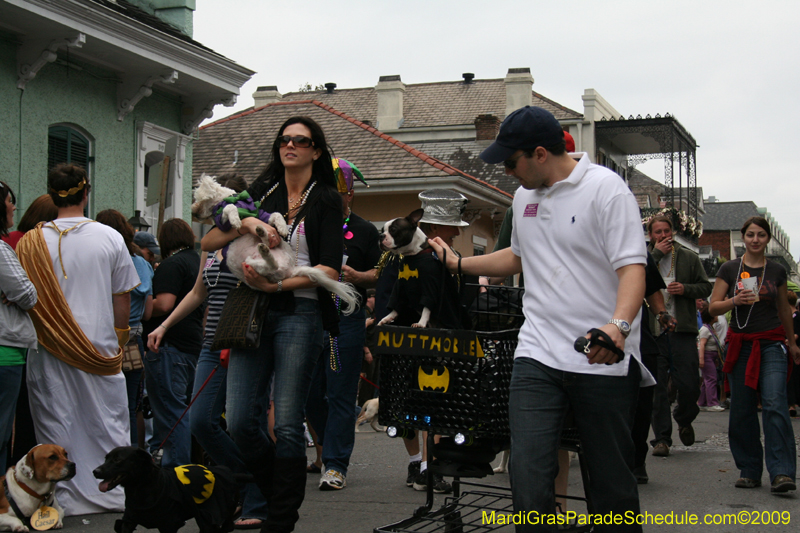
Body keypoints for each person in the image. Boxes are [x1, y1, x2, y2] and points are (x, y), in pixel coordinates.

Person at [428, 106, 649, 533]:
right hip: (537, 354)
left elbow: (632, 269)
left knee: (609, 483)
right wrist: (459, 264)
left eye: (512, 162)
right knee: (527, 474)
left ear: (541, 153)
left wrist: (617, 327)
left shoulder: (607, 190)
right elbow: (517, 255)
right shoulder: (525, 197)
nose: (507, 171)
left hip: (599, 353)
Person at [201, 116, 345, 533]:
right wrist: (247, 222)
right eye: (285, 139)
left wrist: (277, 286)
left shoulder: (326, 200)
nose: (291, 146)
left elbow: (330, 271)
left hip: (299, 311)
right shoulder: (262, 192)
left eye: (301, 140)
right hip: (251, 311)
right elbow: (209, 241)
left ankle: (279, 520)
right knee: (242, 419)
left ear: (316, 150)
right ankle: (276, 495)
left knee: (285, 422)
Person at [147, 173, 268, 529]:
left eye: (216, 208)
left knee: (247, 422)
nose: (212, 215)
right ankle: (250, 481)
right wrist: (164, 326)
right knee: (201, 421)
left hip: (245, 344)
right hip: (210, 345)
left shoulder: (254, 234)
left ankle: (257, 497)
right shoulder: (212, 244)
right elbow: (198, 292)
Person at [17, 163, 139, 514]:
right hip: (99, 342)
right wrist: (119, 338)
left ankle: (63, 499)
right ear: (86, 193)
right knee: (106, 419)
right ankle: (114, 493)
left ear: (52, 194)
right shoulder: (110, 237)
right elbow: (122, 296)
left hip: (48, 344)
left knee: (56, 417)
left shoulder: (30, 241)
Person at [709, 216, 799, 493]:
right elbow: (713, 308)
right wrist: (734, 300)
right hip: (741, 344)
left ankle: (782, 472)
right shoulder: (730, 268)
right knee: (742, 409)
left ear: (768, 238)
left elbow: (784, 309)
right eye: (750, 235)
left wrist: (792, 341)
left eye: (761, 235)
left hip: (772, 343)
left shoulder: (777, 271)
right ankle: (749, 470)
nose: (755, 240)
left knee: (774, 402)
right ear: (744, 238)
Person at [305, 158, 379, 491]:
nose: (334, 198)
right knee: (308, 394)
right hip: (308, 314)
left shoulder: (364, 230)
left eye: (339, 192)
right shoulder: (309, 224)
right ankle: (324, 450)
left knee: (339, 393)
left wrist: (360, 276)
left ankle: (335, 464)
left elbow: (381, 271)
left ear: (350, 195)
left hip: (346, 318)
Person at [647, 215, 712, 457]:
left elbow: (706, 287)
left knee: (688, 385)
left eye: (666, 231)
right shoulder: (645, 257)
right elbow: (637, 277)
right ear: (651, 236)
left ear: (673, 233)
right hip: (655, 331)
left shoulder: (688, 257)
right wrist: (655, 255)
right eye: (657, 232)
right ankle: (661, 438)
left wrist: (686, 289)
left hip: (682, 329)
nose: (663, 236)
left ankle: (684, 418)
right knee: (657, 388)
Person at [142, 218, 203, 468]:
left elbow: (165, 304)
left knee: (171, 412)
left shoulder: (171, 264)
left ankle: (176, 473)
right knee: (183, 409)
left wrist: (144, 307)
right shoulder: (197, 262)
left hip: (169, 346)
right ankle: (186, 466)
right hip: (192, 345)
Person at [97, 210, 154, 447]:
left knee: (99, 406)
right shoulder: (141, 263)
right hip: (132, 340)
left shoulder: (100, 259)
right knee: (130, 406)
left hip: (99, 339)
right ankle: (132, 465)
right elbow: (149, 312)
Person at [0, 181, 37, 485]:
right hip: (5, 351)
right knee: (1, 433)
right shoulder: (1, 249)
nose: (14, 206)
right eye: (10, 201)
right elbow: (28, 295)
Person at [697, 301, 727, 412]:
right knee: (712, 378)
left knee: (707, 379)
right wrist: (701, 359)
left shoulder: (711, 328)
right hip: (707, 356)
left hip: (712, 357)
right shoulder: (705, 329)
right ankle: (712, 403)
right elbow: (702, 344)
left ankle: (702, 402)